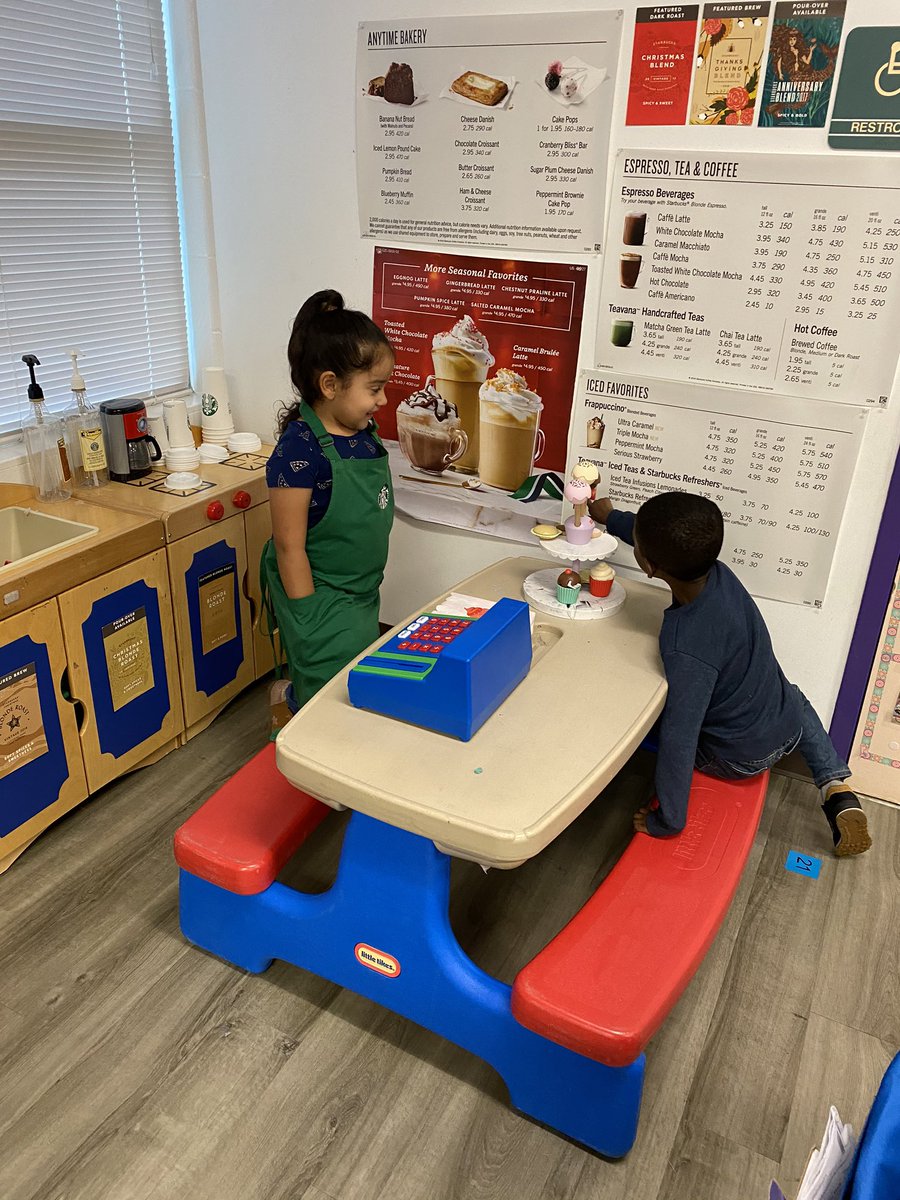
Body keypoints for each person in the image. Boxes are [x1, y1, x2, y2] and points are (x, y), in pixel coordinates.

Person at [588, 489, 871, 856]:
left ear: (650, 568)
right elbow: (658, 540)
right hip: (788, 724)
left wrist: (668, 820)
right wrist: (611, 517)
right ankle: (836, 786)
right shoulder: (720, 574)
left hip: (738, 758)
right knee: (794, 696)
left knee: (652, 716)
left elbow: (681, 737)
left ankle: (670, 806)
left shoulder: (685, 643)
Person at [262, 290, 394, 725]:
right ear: (330, 384)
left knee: (349, 687)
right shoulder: (299, 451)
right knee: (330, 705)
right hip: (320, 598)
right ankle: (300, 724)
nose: (383, 401)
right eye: (374, 389)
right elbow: (288, 547)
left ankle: (291, 698)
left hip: (361, 593)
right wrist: (308, 618)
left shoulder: (362, 431)